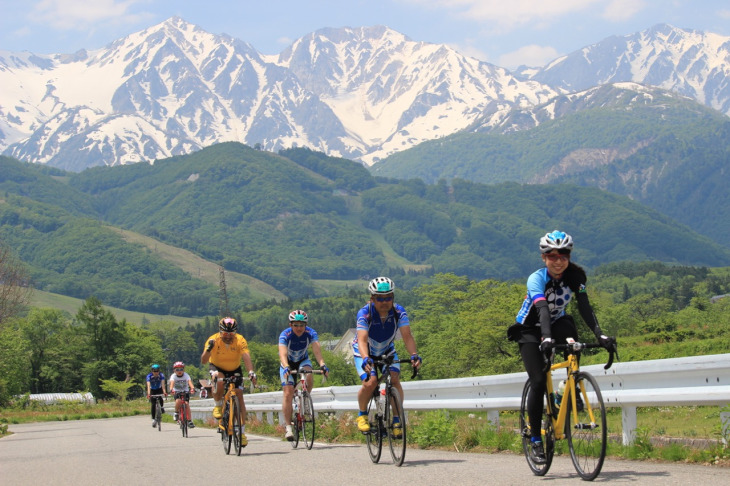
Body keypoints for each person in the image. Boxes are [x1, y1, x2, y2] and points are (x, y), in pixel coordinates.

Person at [508, 230, 616, 465]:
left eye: (563, 256)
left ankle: (570, 385)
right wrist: (545, 338)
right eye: (552, 256)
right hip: (529, 329)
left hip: (557, 324)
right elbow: (542, 309)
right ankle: (536, 438)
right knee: (537, 381)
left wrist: (601, 334)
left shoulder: (576, 277)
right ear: (544, 258)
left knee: (570, 331)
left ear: (569, 257)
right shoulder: (536, 279)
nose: (558, 261)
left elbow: (585, 307)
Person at [353, 277, 421, 435]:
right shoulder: (365, 313)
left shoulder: (399, 312)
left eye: (388, 297)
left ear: (393, 297)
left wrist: (414, 355)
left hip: (386, 349)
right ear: (372, 299)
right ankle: (362, 415)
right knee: (371, 381)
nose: (385, 302)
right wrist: (365, 358)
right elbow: (362, 340)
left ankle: (397, 420)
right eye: (380, 298)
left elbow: (407, 336)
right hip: (364, 350)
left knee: (395, 377)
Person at [201, 317, 257, 447]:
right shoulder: (213, 339)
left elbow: (246, 356)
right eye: (225, 333)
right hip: (216, 367)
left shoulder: (240, 340)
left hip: (234, 368)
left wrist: (251, 372)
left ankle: (242, 432)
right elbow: (204, 361)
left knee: (239, 396)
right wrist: (209, 349)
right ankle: (218, 404)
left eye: (231, 334)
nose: (228, 336)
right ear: (220, 331)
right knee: (218, 380)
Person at [278, 309, 330, 441]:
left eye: (302, 325)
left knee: (309, 374)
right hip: (287, 363)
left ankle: (306, 398)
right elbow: (282, 354)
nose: (299, 328)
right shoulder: (285, 334)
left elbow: (317, 351)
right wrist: (286, 367)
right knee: (288, 392)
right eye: (296, 325)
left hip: (302, 360)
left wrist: (322, 364)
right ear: (291, 325)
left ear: (305, 325)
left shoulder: (311, 333)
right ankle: (288, 427)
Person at [168, 361, 196, 429]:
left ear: (184, 370)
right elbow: (172, 383)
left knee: (186, 404)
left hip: (185, 391)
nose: (179, 371)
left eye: (181, 369)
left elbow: (189, 382)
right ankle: (176, 412)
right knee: (178, 401)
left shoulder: (186, 375)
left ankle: (189, 420)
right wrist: (171, 389)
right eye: (177, 369)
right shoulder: (173, 376)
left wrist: (192, 388)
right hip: (177, 391)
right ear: (174, 370)